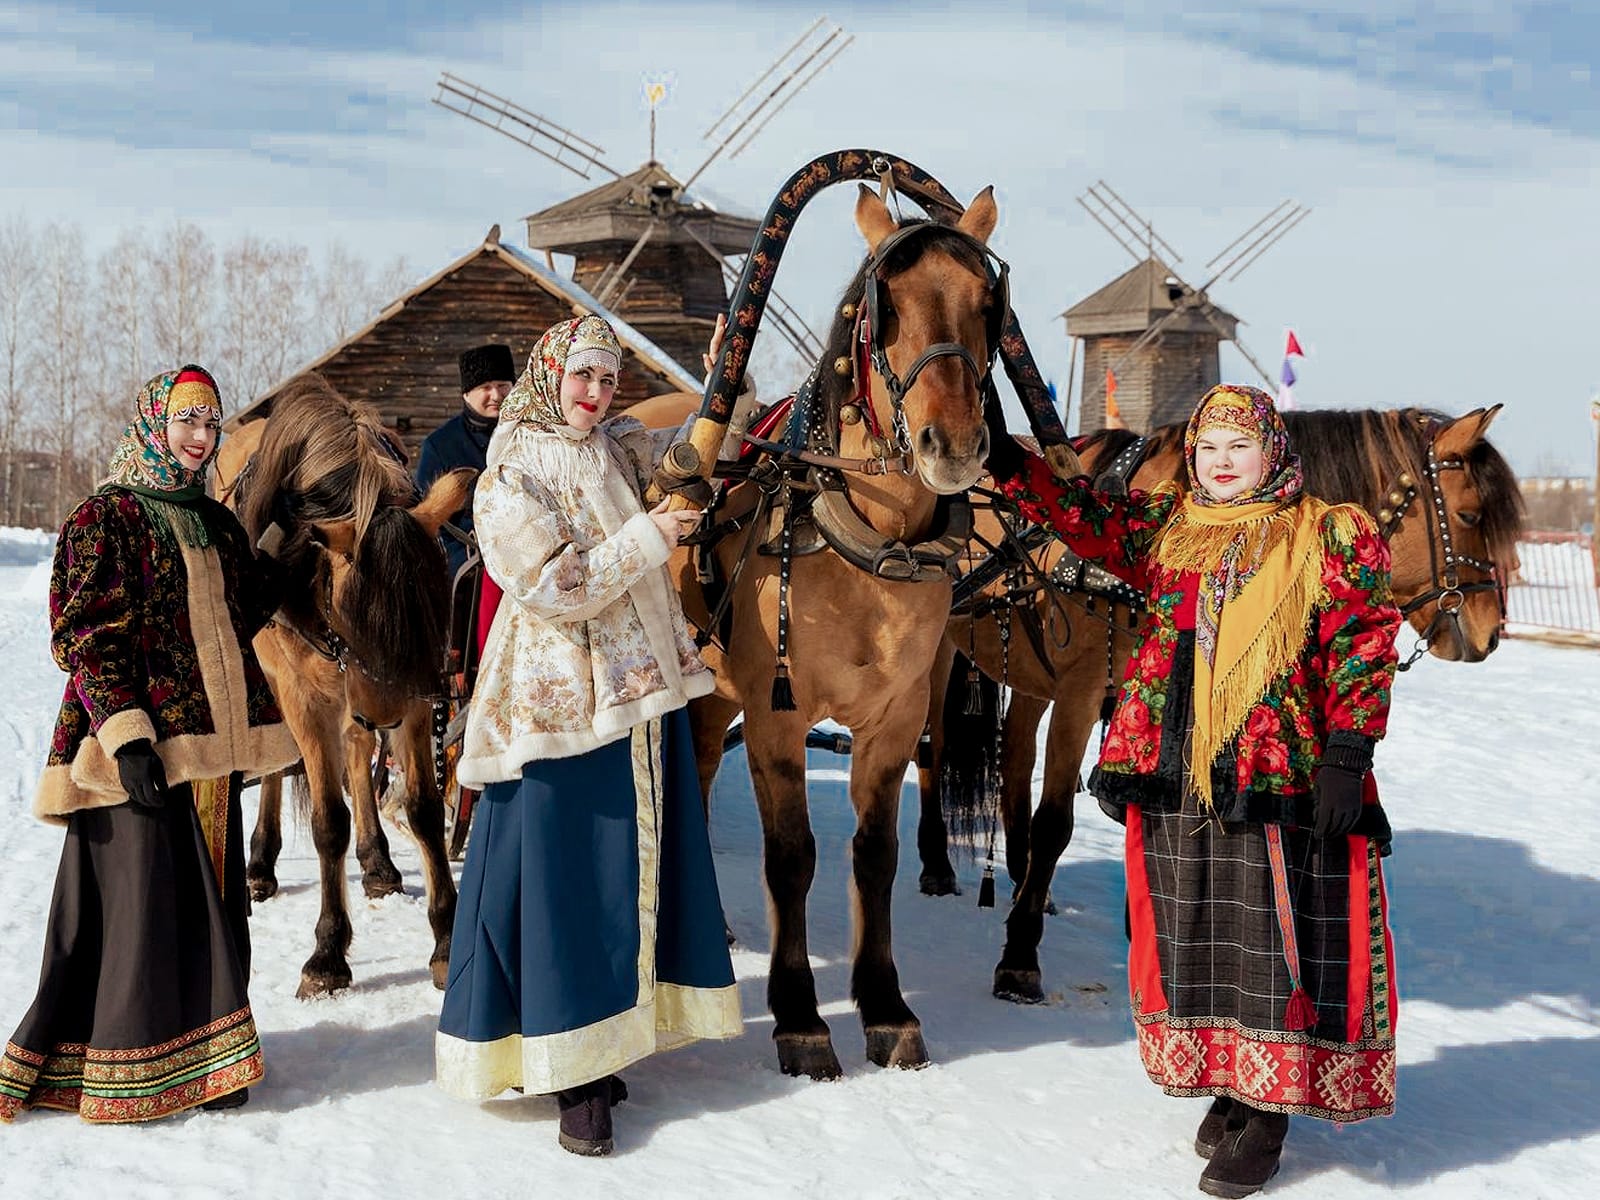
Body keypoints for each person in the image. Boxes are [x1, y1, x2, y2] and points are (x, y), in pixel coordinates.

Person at [994, 385, 1401, 1197]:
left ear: (1272, 453)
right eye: (1208, 448)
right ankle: (1228, 1078)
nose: (1219, 463)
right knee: (1195, 930)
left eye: (1237, 447)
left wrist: (1348, 753)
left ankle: (1270, 1110)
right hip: (1174, 770)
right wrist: (1013, 466)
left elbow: (1364, 640)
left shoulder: (1328, 533)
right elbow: (1085, 519)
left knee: (1274, 938)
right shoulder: (1167, 527)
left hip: (1277, 772)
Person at [435, 315, 741, 1157]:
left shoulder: (617, 444)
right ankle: (569, 1067)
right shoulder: (508, 470)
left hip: (641, 694)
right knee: (571, 880)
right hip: (561, 707)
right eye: (584, 378)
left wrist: (724, 383)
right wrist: (651, 537)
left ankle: (612, 1039)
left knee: (632, 873)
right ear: (550, 372)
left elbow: (697, 454)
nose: (596, 394)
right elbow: (554, 586)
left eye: (608, 380)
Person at [0, 366, 300, 1124]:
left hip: (210, 752)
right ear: (154, 426)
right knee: (144, 906)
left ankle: (212, 1059)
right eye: (186, 423)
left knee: (214, 902)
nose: (201, 439)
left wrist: (276, 541)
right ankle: (127, 1064)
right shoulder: (107, 516)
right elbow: (86, 636)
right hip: (138, 750)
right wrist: (128, 735)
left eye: (211, 423)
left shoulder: (213, 520)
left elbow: (238, 615)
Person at [416, 342, 517, 581]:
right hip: (469, 564)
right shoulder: (440, 446)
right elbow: (428, 521)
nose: (496, 395)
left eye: (503, 385)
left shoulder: (532, 433)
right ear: (466, 393)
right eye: (485, 387)